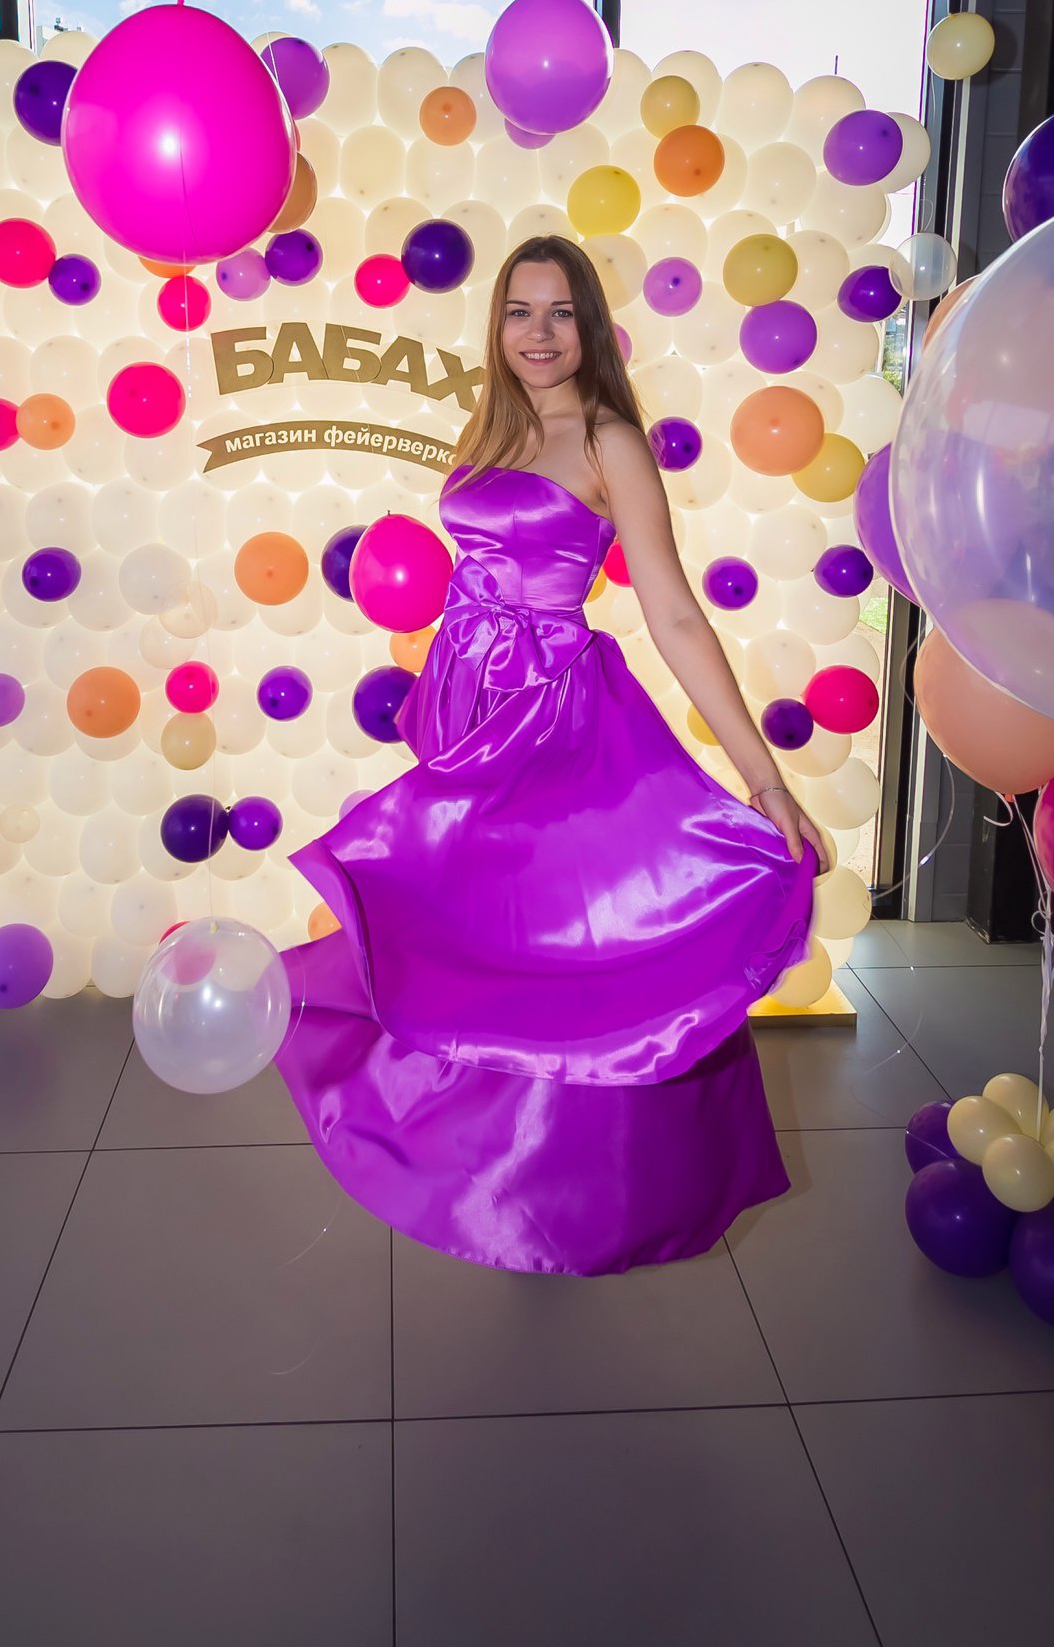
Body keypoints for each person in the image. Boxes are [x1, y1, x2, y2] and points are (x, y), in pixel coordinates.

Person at [276, 234, 825, 1277]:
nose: (539, 333)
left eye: (561, 312)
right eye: (521, 312)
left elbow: (673, 612)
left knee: (562, 951)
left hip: (552, 720)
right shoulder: (492, 427)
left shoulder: (609, 440)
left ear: (591, 328)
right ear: (497, 324)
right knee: (473, 939)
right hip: (469, 707)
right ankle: (496, 1175)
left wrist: (764, 778)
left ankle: (583, 1194)